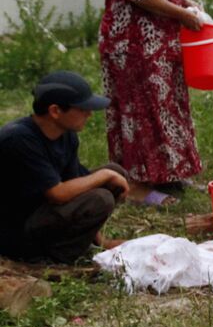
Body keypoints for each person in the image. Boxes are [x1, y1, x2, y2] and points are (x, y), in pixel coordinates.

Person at [99, 0, 204, 206]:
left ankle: (170, 172)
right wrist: (182, 15)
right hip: (132, 46)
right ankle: (139, 182)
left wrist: (186, 4)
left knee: (166, 106)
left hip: (160, 44)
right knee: (140, 110)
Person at [0, 72, 128, 263]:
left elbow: (72, 183)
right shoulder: (18, 139)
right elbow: (58, 193)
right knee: (101, 195)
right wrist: (104, 174)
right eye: (82, 109)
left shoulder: (66, 135)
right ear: (55, 111)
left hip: (41, 212)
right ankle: (53, 258)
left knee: (114, 175)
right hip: (15, 229)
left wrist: (101, 240)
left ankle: (89, 244)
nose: (89, 113)